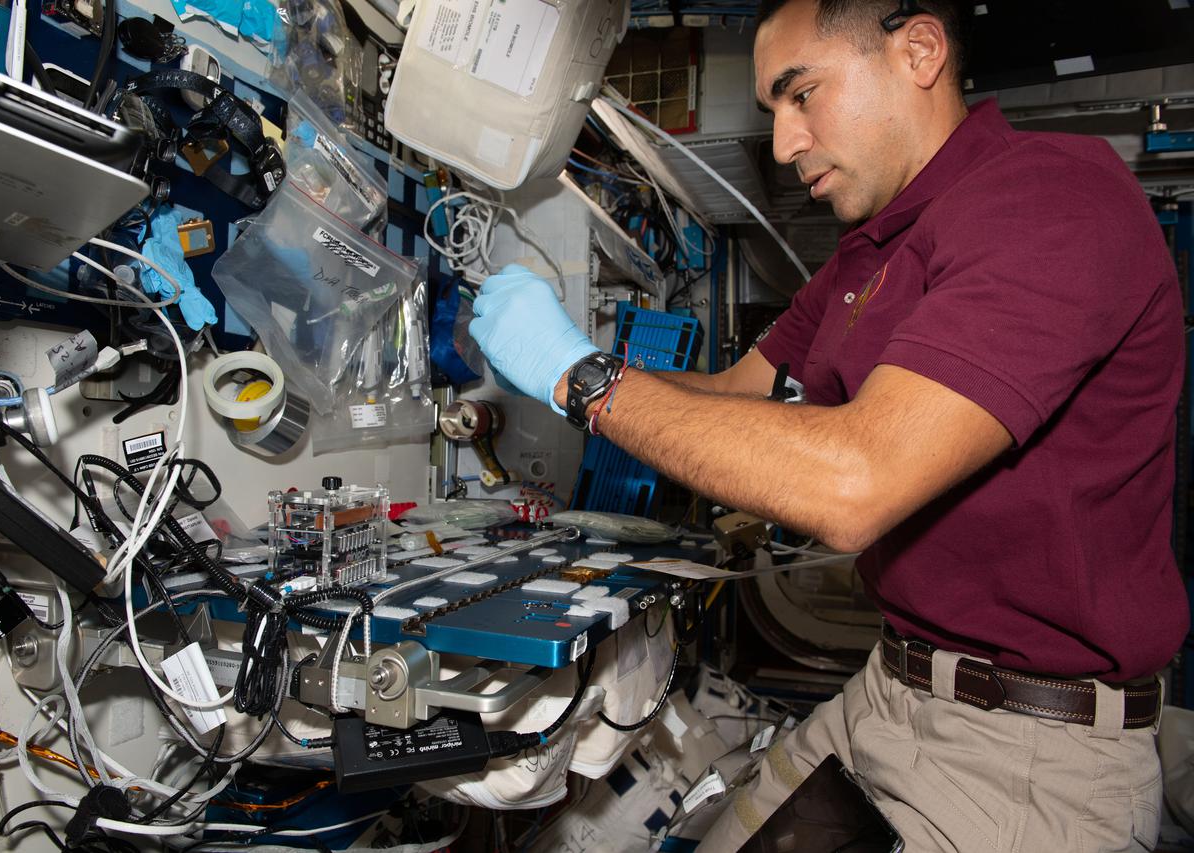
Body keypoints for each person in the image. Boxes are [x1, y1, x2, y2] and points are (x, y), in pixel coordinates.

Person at [469, 0, 1188, 849]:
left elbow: (858, 483)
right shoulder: (867, 253)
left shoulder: (1054, 199)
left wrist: (581, 380)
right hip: (891, 685)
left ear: (919, 51)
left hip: (1028, 752)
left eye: (802, 93)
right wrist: (572, 363)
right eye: (773, 109)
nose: (783, 144)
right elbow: (732, 395)